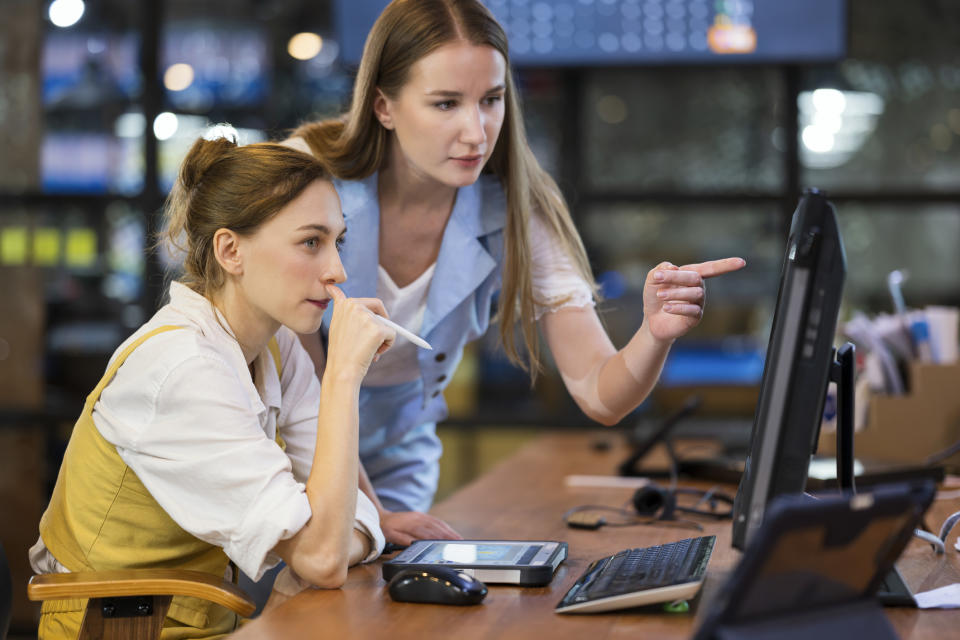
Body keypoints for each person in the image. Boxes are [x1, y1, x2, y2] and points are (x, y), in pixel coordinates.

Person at [285, 0, 745, 546]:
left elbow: (601, 394)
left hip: (398, 443)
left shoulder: (515, 209)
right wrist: (370, 515)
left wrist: (655, 333)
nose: (477, 133)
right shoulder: (305, 179)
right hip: (288, 425)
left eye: (491, 100)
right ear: (384, 105)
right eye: (446, 104)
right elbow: (305, 390)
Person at [30, 135, 394, 638]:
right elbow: (323, 554)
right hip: (120, 629)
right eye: (311, 242)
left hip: (207, 621)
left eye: (338, 241)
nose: (338, 269)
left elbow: (347, 516)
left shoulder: (276, 346)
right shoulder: (182, 367)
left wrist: (345, 534)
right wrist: (344, 376)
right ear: (230, 251)